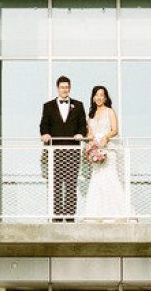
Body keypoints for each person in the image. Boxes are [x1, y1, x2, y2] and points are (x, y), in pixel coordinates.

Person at [78, 85, 133, 222]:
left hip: (108, 150)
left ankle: (117, 213)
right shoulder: (90, 115)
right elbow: (90, 133)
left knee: (110, 178)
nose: (99, 98)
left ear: (106, 97)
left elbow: (115, 130)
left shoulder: (110, 111)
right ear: (93, 97)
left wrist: (106, 138)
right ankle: (96, 214)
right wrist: (89, 142)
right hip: (96, 150)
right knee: (97, 180)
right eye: (96, 95)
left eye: (102, 95)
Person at [39, 75, 87, 221]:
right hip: (55, 151)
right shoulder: (48, 106)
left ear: (70, 88)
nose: (64, 90)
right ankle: (57, 216)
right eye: (62, 87)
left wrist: (81, 133)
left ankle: (70, 216)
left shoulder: (78, 105)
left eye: (67, 87)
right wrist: (45, 134)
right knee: (56, 184)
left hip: (73, 150)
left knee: (71, 183)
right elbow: (43, 124)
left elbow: (82, 124)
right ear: (57, 88)